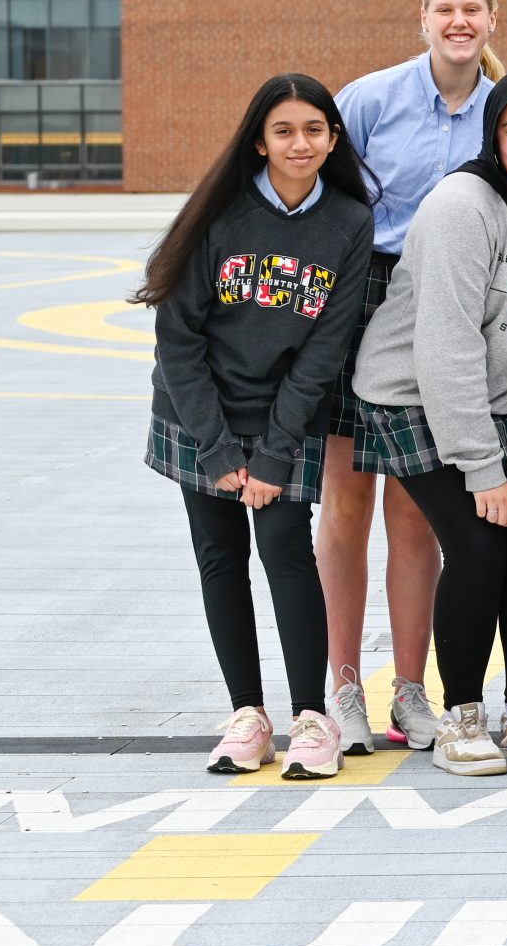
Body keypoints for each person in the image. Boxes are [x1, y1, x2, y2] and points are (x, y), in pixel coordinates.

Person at [350, 72, 507, 777]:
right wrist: (483, 468)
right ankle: (463, 711)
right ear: (494, 138)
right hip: (413, 393)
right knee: (478, 539)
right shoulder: (463, 205)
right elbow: (446, 345)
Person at [138, 75, 374, 778]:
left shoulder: (349, 222)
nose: (299, 143)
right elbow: (178, 340)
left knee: (284, 547)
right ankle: (248, 713)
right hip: (197, 409)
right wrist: (215, 450)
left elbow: (325, 350)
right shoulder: (220, 213)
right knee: (219, 555)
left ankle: (312, 718)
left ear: (333, 138)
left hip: (284, 414)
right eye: (283, 130)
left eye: (313, 129)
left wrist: (273, 453)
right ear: (260, 139)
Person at [319, 0, 505, 756]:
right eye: (445, 8)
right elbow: (328, 200)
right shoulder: (369, 100)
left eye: (473, 9)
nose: (459, 21)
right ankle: (341, 684)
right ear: (422, 17)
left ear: (492, 21)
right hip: (367, 293)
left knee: (416, 511)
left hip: (456, 302)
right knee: (347, 499)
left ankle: (410, 688)